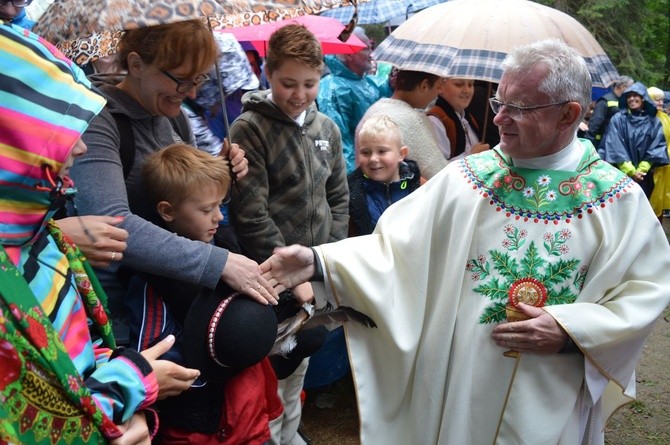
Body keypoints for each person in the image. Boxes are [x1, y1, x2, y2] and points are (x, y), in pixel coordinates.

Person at [261, 39, 670, 444]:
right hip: (461, 386)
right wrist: (317, 261)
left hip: (552, 392)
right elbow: (395, 251)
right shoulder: (468, 179)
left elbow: (644, 293)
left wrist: (570, 331)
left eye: (518, 108)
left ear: (570, 115)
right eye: (499, 103)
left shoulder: (616, 200)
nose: (500, 119)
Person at [0, 23, 199, 444]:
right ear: (14, 144)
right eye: (62, 132)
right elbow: (31, 419)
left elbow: (86, 356)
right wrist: (137, 381)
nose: (81, 148)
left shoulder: (45, 240)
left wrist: (137, 413)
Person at [70, 20, 278, 347]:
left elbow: (186, 203)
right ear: (136, 64)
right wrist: (217, 263)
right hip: (126, 313)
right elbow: (111, 224)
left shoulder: (175, 117)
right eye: (182, 80)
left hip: (175, 292)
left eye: (199, 80)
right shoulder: (99, 122)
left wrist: (222, 175)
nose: (192, 94)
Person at [228, 24, 349, 445]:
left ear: (321, 77)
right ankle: (269, 435)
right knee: (269, 367)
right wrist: (292, 272)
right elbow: (251, 211)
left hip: (315, 272)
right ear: (268, 74)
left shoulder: (328, 130)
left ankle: (291, 431)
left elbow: (339, 196)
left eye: (309, 84)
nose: (299, 94)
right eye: (287, 83)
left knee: (299, 363)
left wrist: (325, 262)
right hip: (271, 275)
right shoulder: (250, 129)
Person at [122, 143, 281, 444]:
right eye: (207, 209)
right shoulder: (154, 279)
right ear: (167, 211)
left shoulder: (224, 242)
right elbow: (157, 348)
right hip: (200, 415)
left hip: (243, 393)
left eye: (221, 204)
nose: (219, 217)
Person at [317, 26, 392, 173]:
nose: (371, 54)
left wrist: (392, 84)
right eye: (366, 49)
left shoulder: (365, 81)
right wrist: (357, 179)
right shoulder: (333, 89)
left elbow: (384, 93)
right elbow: (340, 142)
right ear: (349, 54)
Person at [357, 69, 446, 180]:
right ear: (424, 85)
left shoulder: (374, 109)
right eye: (438, 87)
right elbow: (438, 173)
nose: (439, 92)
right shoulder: (411, 119)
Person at [348, 114, 421, 236]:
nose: (373, 159)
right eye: (365, 152)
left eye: (382, 151)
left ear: (401, 154)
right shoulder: (351, 192)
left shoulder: (419, 187)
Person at [598, 82, 668, 197]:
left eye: (635, 95)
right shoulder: (618, 119)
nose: (631, 99)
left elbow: (656, 146)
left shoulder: (653, 122)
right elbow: (615, 144)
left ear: (643, 98)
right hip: (621, 175)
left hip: (644, 176)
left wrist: (641, 170)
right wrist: (630, 171)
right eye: (629, 96)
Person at [427, 77, 490, 160]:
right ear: (440, 86)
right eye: (459, 84)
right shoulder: (435, 120)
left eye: (470, 84)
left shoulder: (469, 118)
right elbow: (437, 167)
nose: (467, 90)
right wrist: (471, 156)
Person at [585, 75, 634, 148]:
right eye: (630, 88)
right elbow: (594, 124)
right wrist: (589, 147)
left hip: (618, 144)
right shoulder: (604, 101)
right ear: (623, 86)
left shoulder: (624, 102)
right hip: (603, 144)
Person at [647, 86, 670, 220]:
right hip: (651, 165)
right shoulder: (646, 118)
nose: (661, 103)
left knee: (661, 198)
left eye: (661, 100)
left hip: (665, 165)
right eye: (657, 100)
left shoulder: (665, 117)